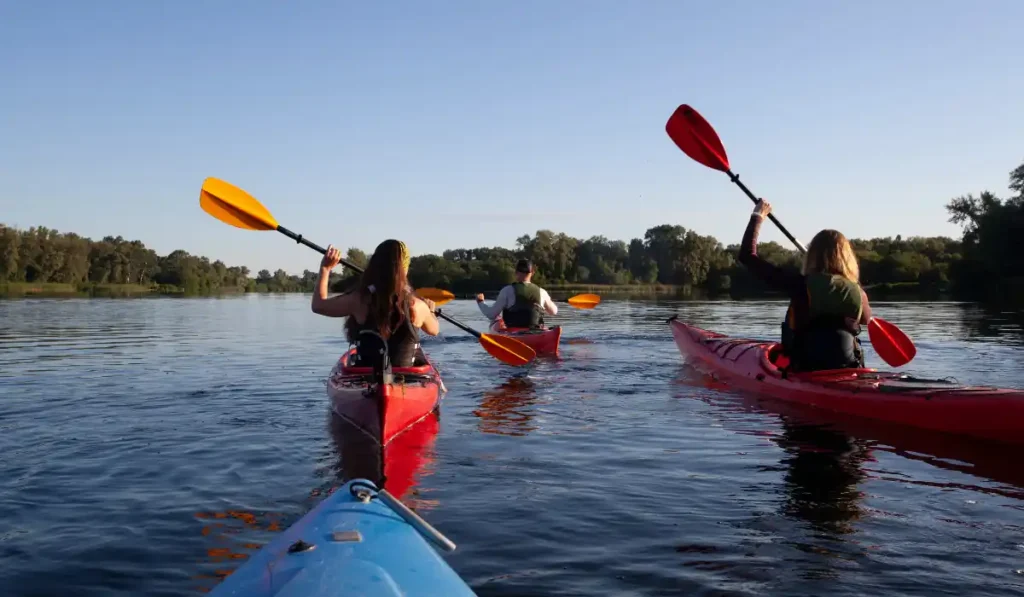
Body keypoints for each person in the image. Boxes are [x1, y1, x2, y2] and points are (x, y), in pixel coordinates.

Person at [738, 199, 873, 372]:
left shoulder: (799, 285)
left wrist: (758, 216)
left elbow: (747, 256)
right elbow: (866, 320)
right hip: (848, 367)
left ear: (812, 256)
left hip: (806, 368)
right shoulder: (858, 293)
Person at [311, 239, 439, 368]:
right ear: (405, 269)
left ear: (375, 265)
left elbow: (318, 305)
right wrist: (430, 311)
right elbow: (434, 330)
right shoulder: (418, 306)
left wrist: (325, 268)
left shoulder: (359, 300)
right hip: (406, 379)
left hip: (365, 377)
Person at [475, 259, 558, 329]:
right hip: (535, 332)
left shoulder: (507, 291)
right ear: (532, 273)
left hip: (513, 333)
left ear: (516, 272)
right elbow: (554, 312)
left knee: (495, 320)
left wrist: (480, 302)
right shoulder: (542, 292)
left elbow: (491, 314)